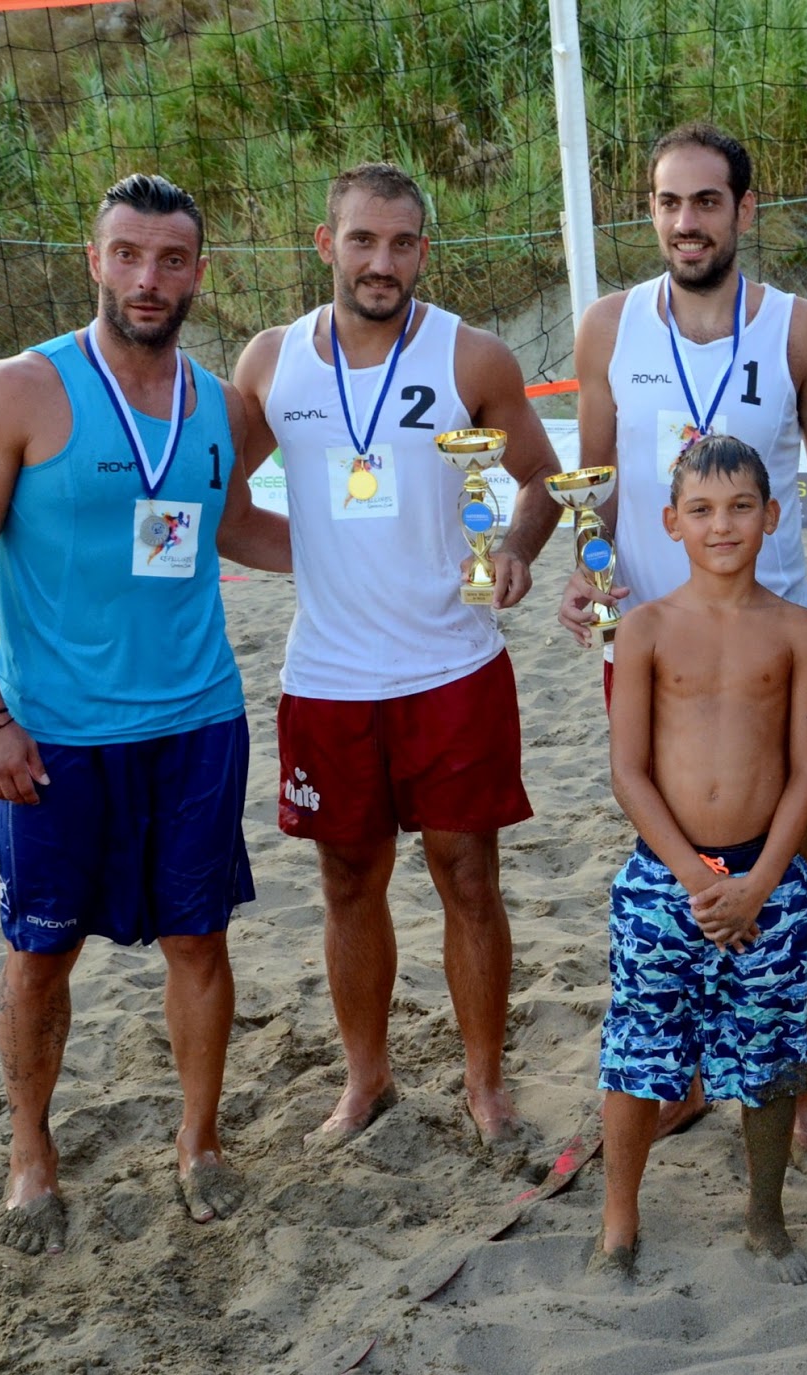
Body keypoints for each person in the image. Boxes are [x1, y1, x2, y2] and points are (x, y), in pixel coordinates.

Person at [0, 173, 292, 1255]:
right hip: (57, 735)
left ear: (198, 273)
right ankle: (30, 1152)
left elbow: (232, 526)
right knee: (40, 953)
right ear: (95, 260)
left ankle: (199, 1141)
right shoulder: (15, 391)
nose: (148, 278)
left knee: (199, 939)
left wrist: (384, 555)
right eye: (128, 254)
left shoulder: (218, 404)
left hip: (197, 721)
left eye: (171, 259)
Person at [233, 162, 561, 1147]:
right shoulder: (271, 362)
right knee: (347, 881)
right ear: (325, 244)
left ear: (423, 249)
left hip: (452, 666)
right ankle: (364, 1080)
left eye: (403, 242)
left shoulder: (472, 356)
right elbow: (216, 500)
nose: (383, 261)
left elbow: (543, 477)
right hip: (327, 677)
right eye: (364, 240)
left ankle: (485, 1084)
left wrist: (515, 548)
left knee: (469, 878)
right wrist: (315, 553)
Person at [557, 122, 807, 1167]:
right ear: (652, 212)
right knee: (667, 838)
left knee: (784, 863)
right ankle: (676, 1076)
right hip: (653, 634)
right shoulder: (608, 327)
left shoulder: (798, 329)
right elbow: (594, 485)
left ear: (743, 211)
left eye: (707, 202)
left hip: (771, 635)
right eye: (669, 203)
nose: (687, 222)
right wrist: (587, 572)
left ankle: (793, 1086)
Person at [593, 435, 807, 1284]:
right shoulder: (646, 628)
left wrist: (760, 881)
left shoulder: (801, 631)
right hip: (667, 880)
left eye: (739, 508)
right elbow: (627, 770)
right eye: (701, 510)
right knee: (639, 1048)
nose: (721, 525)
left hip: (769, 880)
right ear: (671, 523)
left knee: (772, 1053)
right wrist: (696, 877)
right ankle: (619, 1221)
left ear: (773, 516)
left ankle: (765, 1216)